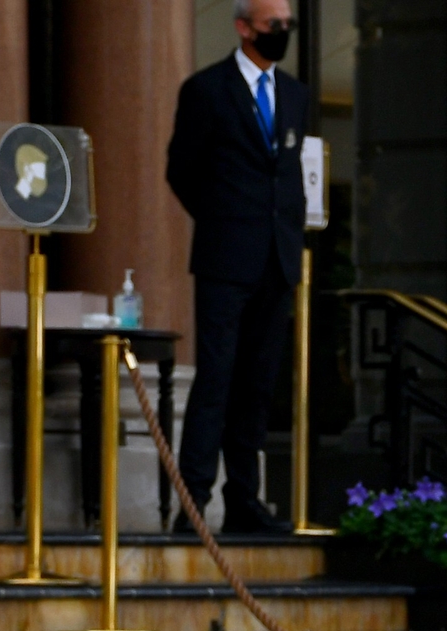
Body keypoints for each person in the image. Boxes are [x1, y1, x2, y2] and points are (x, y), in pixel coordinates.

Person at [166, 0, 306, 536]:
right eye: (275, 25)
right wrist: (223, 217)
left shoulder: (294, 95)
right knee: (217, 378)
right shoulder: (207, 90)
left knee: (258, 383)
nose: (283, 33)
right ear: (244, 27)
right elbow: (182, 169)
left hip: (277, 257)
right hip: (227, 256)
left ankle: (244, 498)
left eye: (288, 26)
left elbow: (289, 169)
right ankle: (194, 502)